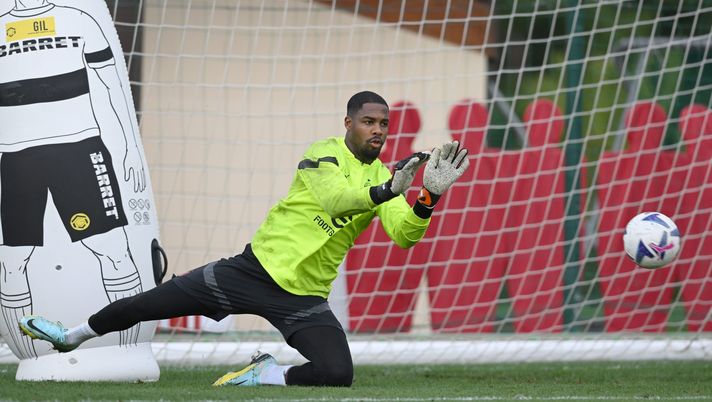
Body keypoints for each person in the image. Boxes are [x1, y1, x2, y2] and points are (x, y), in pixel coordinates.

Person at [19, 91, 470, 387]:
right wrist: (388, 189)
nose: (378, 130)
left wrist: (426, 196)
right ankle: (72, 335)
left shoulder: (384, 178)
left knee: (337, 373)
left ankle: (266, 374)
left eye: (383, 125)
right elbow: (337, 201)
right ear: (348, 122)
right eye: (369, 121)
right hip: (251, 271)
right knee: (150, 303)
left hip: (305, 295)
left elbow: (405, 235)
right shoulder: (323, 153)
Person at [1, 0, 147, 358]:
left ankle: (125, 350)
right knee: (13, 262)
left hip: (79, 151)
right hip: (16, 159)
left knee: (113, 250)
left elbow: (110, 86)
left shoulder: (78, 19)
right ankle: (31, 353)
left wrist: (127, 145)